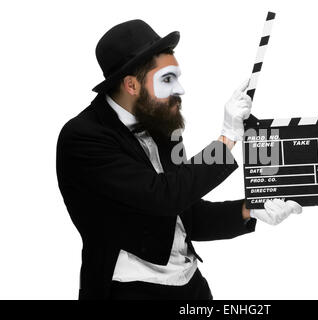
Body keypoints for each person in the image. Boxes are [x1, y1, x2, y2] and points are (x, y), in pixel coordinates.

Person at [56, 19, 302, 300]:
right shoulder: (83, 138)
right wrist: (226, 139)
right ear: (131, 85)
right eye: (167, 79)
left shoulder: (164, 127)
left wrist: (250, 209)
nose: (180, 89)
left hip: (191, 286)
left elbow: (187, 212)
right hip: (127, 292)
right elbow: (163, 196)